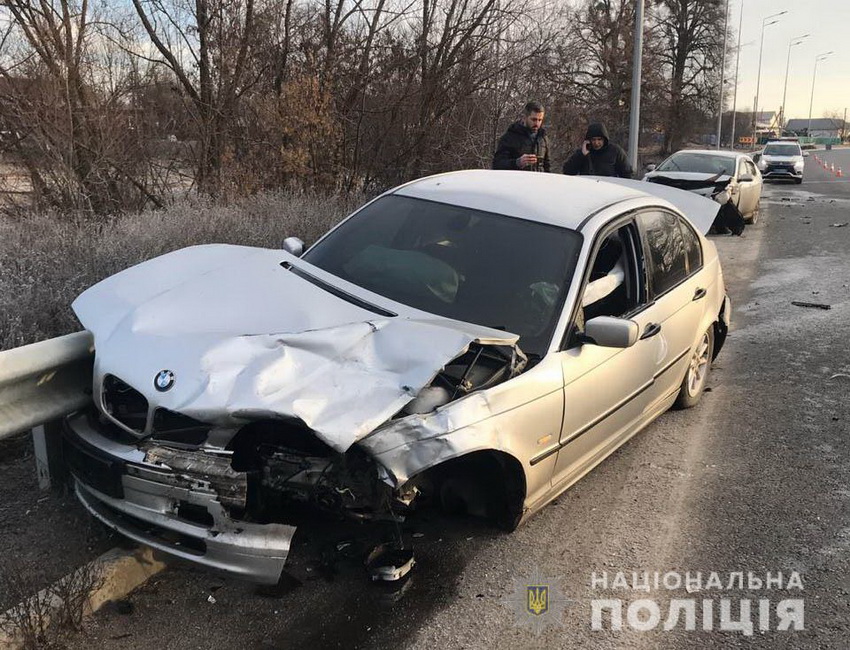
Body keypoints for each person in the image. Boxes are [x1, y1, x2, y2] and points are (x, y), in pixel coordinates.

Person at [492, 101, 551, 172]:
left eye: (540, 120)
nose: (537, 123)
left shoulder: (543, 138)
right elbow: (497, 164)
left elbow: (547, 166)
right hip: (517, 180)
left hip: (538, 181)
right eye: (534, 119)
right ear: (524, 117)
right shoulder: (510, 137)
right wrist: (517, 163)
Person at [562, 123, 632, 178]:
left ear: (604, 139)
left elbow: (627, 173)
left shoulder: (615, 151)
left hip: (609, 189)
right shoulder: (583, 152)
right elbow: (568, 172)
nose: (596, 143)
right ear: (589, 140)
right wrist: (581, 155)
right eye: (593, 139)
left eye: (599, 139)